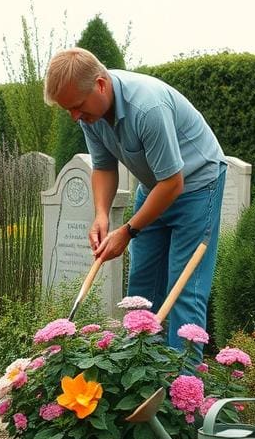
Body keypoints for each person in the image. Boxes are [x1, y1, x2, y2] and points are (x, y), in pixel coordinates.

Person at [44, 47, 226, 355]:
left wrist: (127, 231)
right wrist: (102, 215)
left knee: (183, 292)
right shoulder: (92, 116)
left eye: (77, 106)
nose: (75, 117)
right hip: (155, 185)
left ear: (100, 85)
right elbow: (103, 167)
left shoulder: (147, 108)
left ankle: (183, 392)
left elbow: (173, 183)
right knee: (141, 293)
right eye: (68, 111)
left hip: (196, 186)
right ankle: (141, 380)